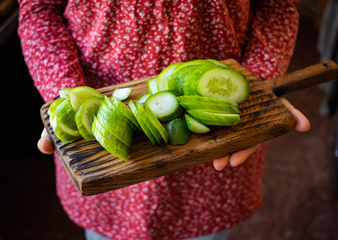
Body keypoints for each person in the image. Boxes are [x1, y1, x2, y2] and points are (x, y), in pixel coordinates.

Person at [18, 0, 310, 239]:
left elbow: (277, 7)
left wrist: (256, 85)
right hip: (103, 152)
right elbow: (38, 8)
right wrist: (67, 97)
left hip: (214, 152)